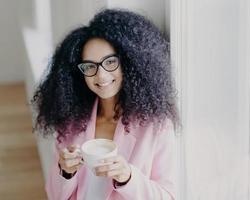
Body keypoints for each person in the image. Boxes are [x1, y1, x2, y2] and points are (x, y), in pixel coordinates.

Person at [31, 8, 179, 200]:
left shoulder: (156, 126)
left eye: (110, 62)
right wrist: (65, 172)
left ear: (129, 62)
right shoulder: (70, 123)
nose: (100, 75)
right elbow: (54, 195)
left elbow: (169, 197)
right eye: (90, 66)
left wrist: (128, 178)